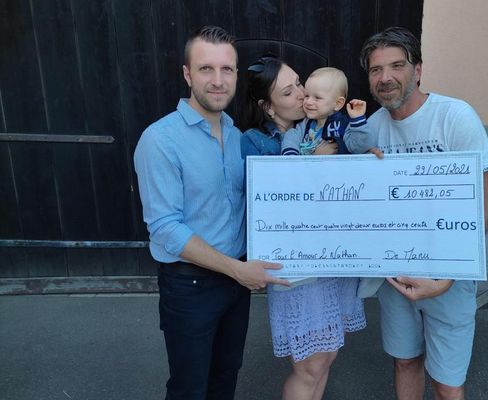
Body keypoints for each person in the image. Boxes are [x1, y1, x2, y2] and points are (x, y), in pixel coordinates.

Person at [133, 26, 288, 400]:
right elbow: (165, 228)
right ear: (187, 74)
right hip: (191, 286)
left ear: (236, 74)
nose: (218, 81)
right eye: (206, 69)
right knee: (189, 387)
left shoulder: (237, 136)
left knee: (224, 378)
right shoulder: (160, 139)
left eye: (227, 69)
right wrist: (238, 269)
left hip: (236, 285)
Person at [349, 27, 488, 400]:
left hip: (449, 276)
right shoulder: (369, 130)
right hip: (395, 275)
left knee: (448, 383)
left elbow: (483, 209)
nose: (386, 78)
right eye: (375, 69)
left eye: (397, 66)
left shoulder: (456, 117)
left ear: (418, 70)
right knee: (405, 361)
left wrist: (445, 279)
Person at [239, 58, 369, 400]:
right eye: (289, 90)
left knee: (326, 356)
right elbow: (268, 206)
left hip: (334, 258)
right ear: (267, 105)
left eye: (299, 82)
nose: (302, 94)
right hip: (297, 266)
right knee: (308, 365)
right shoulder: (255, 142)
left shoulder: (328, 128)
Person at [281, 67, 370, 156]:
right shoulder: (305, 125)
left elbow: (359, 148)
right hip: (307, 169)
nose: (308, 102)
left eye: (317, 98)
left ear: (338, 104)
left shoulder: (342, 126)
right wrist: (291, 158)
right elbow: (291, 137)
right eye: (307, 96)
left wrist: (358, 120)